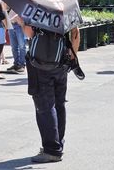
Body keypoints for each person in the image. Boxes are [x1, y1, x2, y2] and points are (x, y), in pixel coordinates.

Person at [17, 17, 80, 163]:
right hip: (61, 62)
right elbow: (76, 33)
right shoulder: (65, 6)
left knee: (45, 106)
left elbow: (29, 33)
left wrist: (22, 22)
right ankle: (58, 143)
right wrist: (73, 56)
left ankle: (52, 149)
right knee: (59, 103)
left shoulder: (37, 7)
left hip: (40, 64)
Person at [6, 8, 26, 73]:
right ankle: (16, 64)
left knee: (22, 46)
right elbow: (4, 9)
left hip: (19, 25)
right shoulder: (9, 0)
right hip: (10, 25)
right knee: (13, 47)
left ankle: (22, 65)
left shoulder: (21, 0)